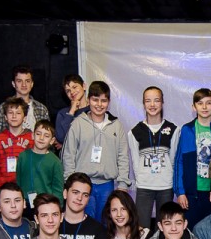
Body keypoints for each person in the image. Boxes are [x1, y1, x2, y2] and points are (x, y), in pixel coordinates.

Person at [60, 80, 131, 220]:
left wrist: (123, 184)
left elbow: (123, 156)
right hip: (82, 184)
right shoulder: (78, 123)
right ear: (88, 100)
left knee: (106, 223)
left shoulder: (116, 125)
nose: (99, 104)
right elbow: (68, 154)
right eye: (95, 100)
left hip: (107, 185)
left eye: (104, 101)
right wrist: (70, 183)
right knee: (85, 222)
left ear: (108, 102)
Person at [175, 88, 211, 227]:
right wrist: (180, 192)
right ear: (194, 107)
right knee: (191, 229)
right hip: (192, 192)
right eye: (200, 103)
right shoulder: (187, 130)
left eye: (208, 103)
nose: (204, 107)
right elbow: (179, 162)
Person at [129, 86, 180, 228]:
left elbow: (173, 159)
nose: (152, 105)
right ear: (143, 104)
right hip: (144, 186)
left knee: (165, 227)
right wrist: (142, 179)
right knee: (141, 228)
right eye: (148, 101)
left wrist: (167, 177)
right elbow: (135, 161)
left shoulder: (173, 130)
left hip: (165, 186)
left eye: (156, 100)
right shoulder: (134, 132)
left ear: (162, 103)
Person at [16, 119, 64, 215]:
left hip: (46, 204)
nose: (41, 138)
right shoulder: (22, 156)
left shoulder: (55, 161)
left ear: (52, 140)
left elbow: (58, 188)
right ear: (32, 135)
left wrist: (58, 209)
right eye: (38, 134)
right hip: (24, 203)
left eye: (46, 136)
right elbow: (18, 181)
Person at [0, 97, 35, 199]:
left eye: (18, 113)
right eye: (10, 113)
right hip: (4, 189)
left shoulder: (32, 138)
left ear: (24, 117)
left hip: (26, 189)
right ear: (5, 117)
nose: (14, 116)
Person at [0, 64, 50, 135]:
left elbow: (47, 136)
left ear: (32, 84)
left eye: (27, 81)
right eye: (19, 81)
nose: (24, 85)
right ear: (13, 84)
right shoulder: (3, 107)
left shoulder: (42, 109)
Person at [55, 74, 89, 149]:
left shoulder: (93, 110)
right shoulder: (63, 113)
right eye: (68, 91)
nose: (72, 92)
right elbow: (61, 138)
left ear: (84, 86)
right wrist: (71, 112)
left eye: (74, 87)